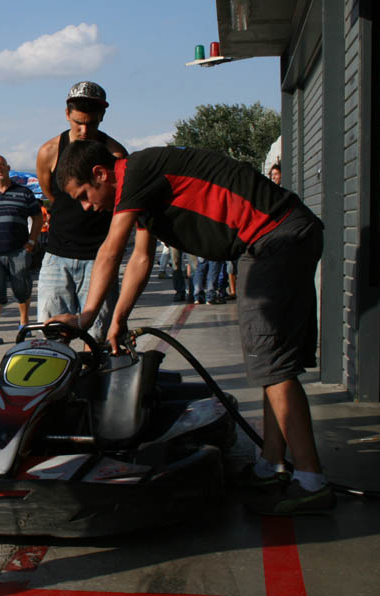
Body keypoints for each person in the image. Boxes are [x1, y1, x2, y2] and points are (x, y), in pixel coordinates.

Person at [47, 140, 335, 515]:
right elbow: (141, 259)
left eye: (84, 195)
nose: (87, 207)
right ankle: (271, 466)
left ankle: (311, 481)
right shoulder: (142, 190)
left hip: (274, 236)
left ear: (100, 174)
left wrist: (85, 316)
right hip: (267, 240)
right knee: (269, 364)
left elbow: (111, 250)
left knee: (274, 365)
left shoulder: (134, 173)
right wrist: (117, 320)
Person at [34, 81, 128, 338]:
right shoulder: (49, 152)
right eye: (78, 123)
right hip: (57, 256)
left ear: (102, 117)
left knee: (98, 337)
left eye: (92, 124)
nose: (85, 130)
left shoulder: (115, 155)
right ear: (67, 114)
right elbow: (51, 195)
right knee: (52, 334)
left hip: (99, 257)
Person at [0, 155, 42, 344]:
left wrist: (32, 242)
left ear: (8, 168)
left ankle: (24, 324)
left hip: (18, 250)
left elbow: (37, 218)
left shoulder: (24, 193)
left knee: (22, 288)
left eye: (1, 165)